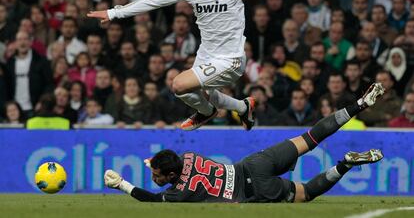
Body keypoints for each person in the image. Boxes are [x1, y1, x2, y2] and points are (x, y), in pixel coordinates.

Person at [88, 0, 340, 131]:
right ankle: (243, 107)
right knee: (204, 93)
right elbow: (153, 0)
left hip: (231, 58)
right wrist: (114, 12)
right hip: (206, 54)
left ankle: (206, 113)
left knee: (177, 85)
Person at [104, 83, 385, 203]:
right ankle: (359, 104)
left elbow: (153, 199)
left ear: (172, 175)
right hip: (254, 163)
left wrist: (121, 185)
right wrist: (156, 162)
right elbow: (173, 166)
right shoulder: (186, 156)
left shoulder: (181, 194)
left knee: (308, 192)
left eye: (156, 173)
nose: (153, 177)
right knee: (311, 137)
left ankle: (345, 164)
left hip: (255, 189)